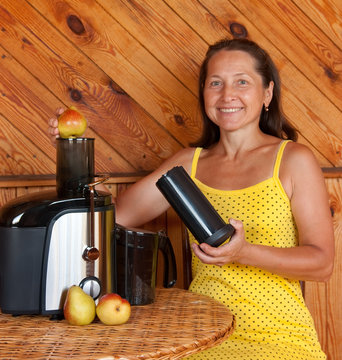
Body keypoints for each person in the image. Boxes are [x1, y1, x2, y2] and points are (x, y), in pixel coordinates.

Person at [48, 38, 334, 359]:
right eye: (216, 83)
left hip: (277, 336)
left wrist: (243, 252)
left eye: (242, 82)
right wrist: (73, 151)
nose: (227, 95)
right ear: (204, 94)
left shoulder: (293, 159)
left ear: (267, 93)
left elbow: (321, 264)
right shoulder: (187, 165)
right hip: (199, 332)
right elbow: (112, 217)